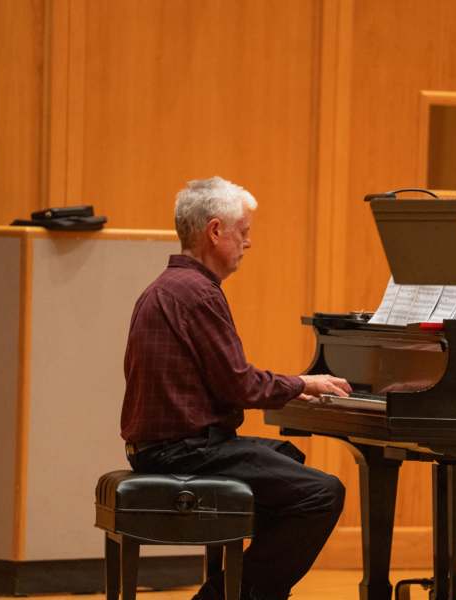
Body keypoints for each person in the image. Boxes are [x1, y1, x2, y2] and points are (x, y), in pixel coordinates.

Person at [121, 176, 352, 600]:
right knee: (321, 492)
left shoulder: (165, 288)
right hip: (183, 452)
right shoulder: (198, 294)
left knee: (287, 458)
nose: (249, 244)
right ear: (215, 231)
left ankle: (248, 590)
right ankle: (224, 596)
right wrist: (302, 383)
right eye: (244, 233)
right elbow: (239, 386)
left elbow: (225, 382)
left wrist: (290, 387)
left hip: (161, 446)